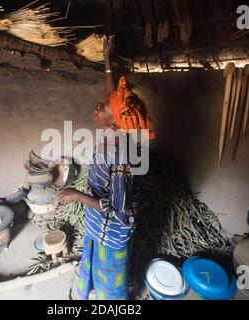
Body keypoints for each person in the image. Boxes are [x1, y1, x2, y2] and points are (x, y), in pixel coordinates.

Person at [57, 36, 155, 300]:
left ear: (113, 120)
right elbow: (111, 93)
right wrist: (107, 58)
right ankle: (90, 292)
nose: (98, 106)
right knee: (92, 266)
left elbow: (118, 208)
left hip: (113, 231)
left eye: (104, 107)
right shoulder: (111, 131)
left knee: (110, 280)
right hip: (97, 222)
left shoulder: (120, 155)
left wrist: (76, 196)